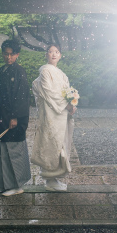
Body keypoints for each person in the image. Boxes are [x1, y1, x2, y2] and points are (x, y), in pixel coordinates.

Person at [0, 39, 31, 196]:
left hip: (12, 115)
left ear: (17, 55)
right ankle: (2, 181)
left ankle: (16, 185)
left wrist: (15, 117)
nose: (8, 57)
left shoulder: (19, 71)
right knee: (1, 148)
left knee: (13, 150)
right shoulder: (2, 70)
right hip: (1, 113)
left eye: (12, 54)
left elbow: (21, 97)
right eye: (6, 54)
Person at [30, 43, 75, 192]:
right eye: (50, 52)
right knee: (51, 144)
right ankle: (50, 179)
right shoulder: (45, 71)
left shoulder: (62, 74)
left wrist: (72, 103)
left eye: (57, 52)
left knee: (60, 143)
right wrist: (66, 104)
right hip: (50, 114)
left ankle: (54, 178)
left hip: (60, 114)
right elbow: (49, 92)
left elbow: (66, 91)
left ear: (60, 55)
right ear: (46, 55)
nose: (54, 54)